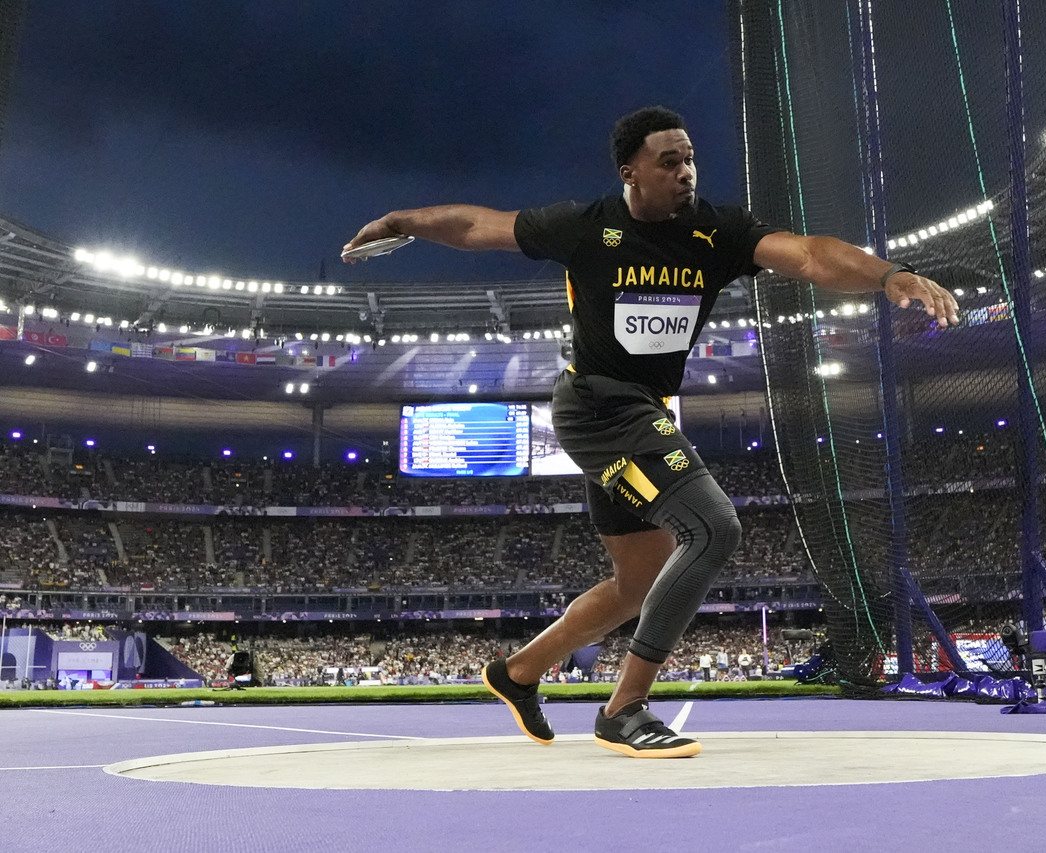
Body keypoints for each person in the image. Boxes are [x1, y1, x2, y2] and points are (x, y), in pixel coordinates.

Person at [344, 106, 958, 758]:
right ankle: (625, 707)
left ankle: (518, 671)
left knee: (639, 583)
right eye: (669, 161)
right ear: (630, 171)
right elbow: (478, 225)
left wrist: (889, 275)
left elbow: (809, 255)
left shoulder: (717, 232)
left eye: (690, 158)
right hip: (599, 407)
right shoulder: (587, 227)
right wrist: (401, 221)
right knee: (714, 527)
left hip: (642, 410)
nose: (686, 171)